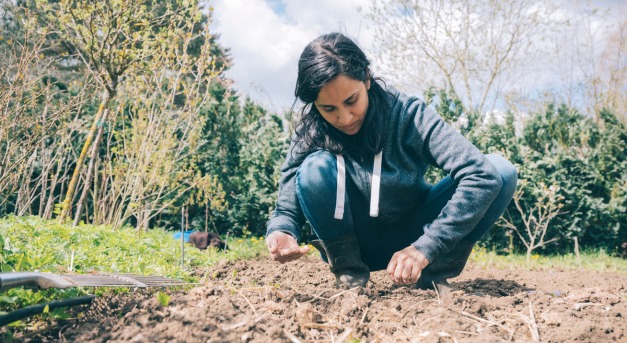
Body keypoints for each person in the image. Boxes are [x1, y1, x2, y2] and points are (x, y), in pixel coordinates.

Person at [265, 32, 517, 292]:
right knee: (313, 168)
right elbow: (286, 210)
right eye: (329, 109)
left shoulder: (409, 115)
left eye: (351, 100)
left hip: (416, 234)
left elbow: (480, 175)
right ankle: (349, 272)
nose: (345, 117)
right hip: (356, 242)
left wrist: (426, 246)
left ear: (367, 78)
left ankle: (430, 274)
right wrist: (282, 230)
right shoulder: (311, 130)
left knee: (500, 170)